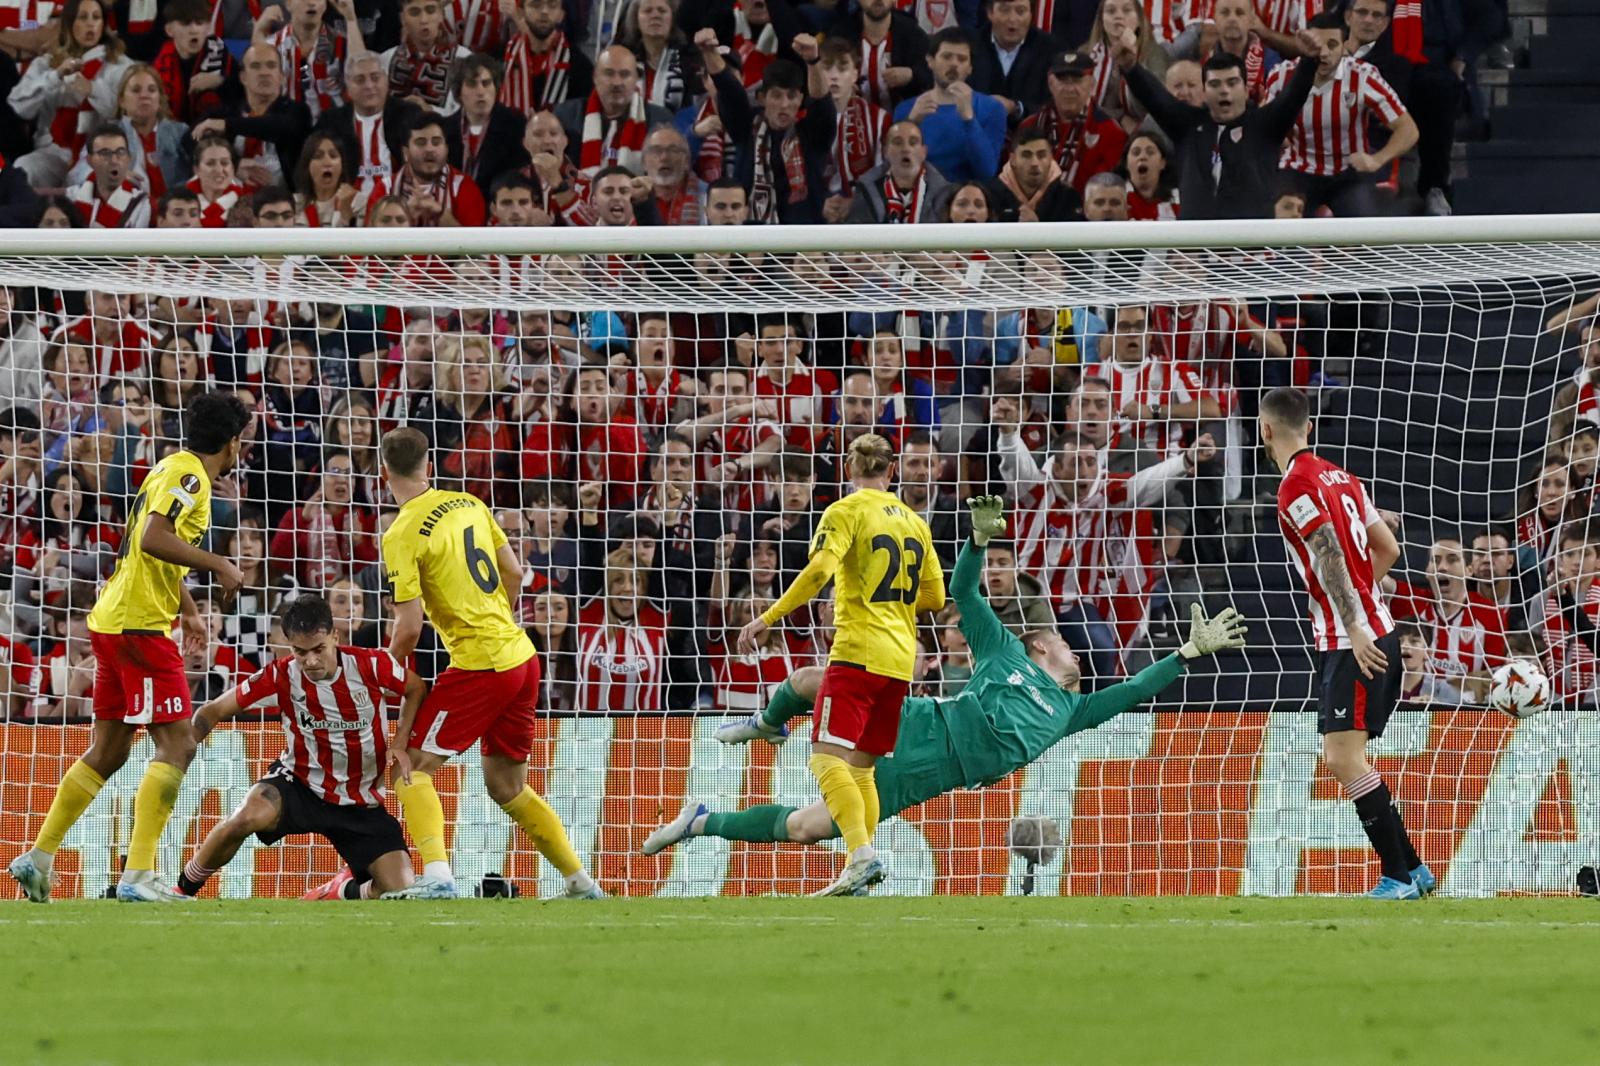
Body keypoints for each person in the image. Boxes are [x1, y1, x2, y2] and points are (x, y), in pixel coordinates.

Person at [646, 497, 1247, 866]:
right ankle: (765, 723)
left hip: (934, 774)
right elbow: (960, 592)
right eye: (1064, 639)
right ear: (1040, 645)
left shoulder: (1075, 710)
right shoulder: (1004, 649)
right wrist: (978, 542)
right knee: (813, 679)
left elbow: (1137, 690)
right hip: (922, 723)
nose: (1074, 648)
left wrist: (1188, 652)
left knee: (808, 828)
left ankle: (701, 820)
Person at [8, 390, 251, 904]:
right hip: (138, 625)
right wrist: (221, 564)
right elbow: (152, 540)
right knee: (179, 744)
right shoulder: (190, 478)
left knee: (111, 749)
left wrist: (186, 606)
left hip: (115, 618)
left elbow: (149, 543)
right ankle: (139, 874)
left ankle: (39, 857)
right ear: (232, 443)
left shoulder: (170, 468)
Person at [375, 426, 602, 900]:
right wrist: (497, 618)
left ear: (383, 473)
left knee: (407, 768)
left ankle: (437, 877)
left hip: (481, 664)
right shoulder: (469, 504)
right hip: (521, 656)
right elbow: (516, 572)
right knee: (506, 784)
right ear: (429, 466)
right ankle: (580, 882)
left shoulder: (400, 532)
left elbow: (410, 627)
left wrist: (379, 671)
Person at [731, 432, 945, 896]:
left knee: (826, 759)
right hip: (899, 658)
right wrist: (892, 606)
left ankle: (862, 857)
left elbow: (818, 572)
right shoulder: (914, 521)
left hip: (856, 652)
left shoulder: (844, 512)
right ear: (892, 471)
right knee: (863, 768)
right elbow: (936, 596)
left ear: (849, 471)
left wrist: (768, 616)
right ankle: (860, 869)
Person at [1259, 386, 1430, 899]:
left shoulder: (1294, 486)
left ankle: (1399, 874)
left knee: (1341, 758)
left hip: (1353, 639)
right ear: (1307, 427)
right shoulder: (1344, 478)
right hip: (1377, 628)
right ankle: (1413, 870)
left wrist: (1353, 623)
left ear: (1265, 431)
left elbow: (1329, 553)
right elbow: (1389, 547)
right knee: (1345, 756)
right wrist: (1365, 602)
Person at [178, 596, 427, 901]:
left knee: (400, 889)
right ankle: (181, 889)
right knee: (245, 817)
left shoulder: (371, 666)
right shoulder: (281, 674)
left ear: (334, 636)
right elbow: (212, 710)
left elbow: (416, 688)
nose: (309, 661)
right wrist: (181, 753)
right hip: (299, 784)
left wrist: (400, 741)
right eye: (300, 652)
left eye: (318, 649)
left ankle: (340, 890)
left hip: (360, 800)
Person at [1117, 25, 1320, 219]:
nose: (1224, 90)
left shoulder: (1266, 125)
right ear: (1205, 92)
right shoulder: (1186, 125)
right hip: (1195, 249)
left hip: (1251, 249)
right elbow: (1155, 97)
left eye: (1232, 83)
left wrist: (1309, 60)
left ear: (1246, 90)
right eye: (1215, 84)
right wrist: (1130, 67)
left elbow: (1293, 97)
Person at [1262, 12, 1416, 218]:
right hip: (1296, 170)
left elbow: (1408, 129)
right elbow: (1265, 130)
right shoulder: (1281, 75)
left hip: (1347, 173)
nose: (1323, 53)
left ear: (1345, 47)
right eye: (1318, 46)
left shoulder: (1363, 76)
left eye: (1332, 45)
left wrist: (1377, 160)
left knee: (1362, 238)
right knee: (1282, 227)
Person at [893, 28, 1005, 184]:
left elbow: (986, 172)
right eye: (946, 57)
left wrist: (969, 120)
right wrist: (912, 124)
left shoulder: (992, 109)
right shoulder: (906, 109)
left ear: (970, 68)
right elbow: (894, 169)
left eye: (962, 59)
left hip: (966, 198)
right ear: (930, 61)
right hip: (919, 197)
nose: (954, 64)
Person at [1014, 50, 1126, 196]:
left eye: (1077, 80)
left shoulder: (1110, 132)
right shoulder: (1029, 126)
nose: (1069, 88)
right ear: (1050, 84)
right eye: (1063, 80)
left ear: (1092, 85)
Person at [65, 122, 149, 227]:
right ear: (90, 160)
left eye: (120, 152)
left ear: (129, 159)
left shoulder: (143, 204)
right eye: (105, 153)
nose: (114, 160)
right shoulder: (70, 198)